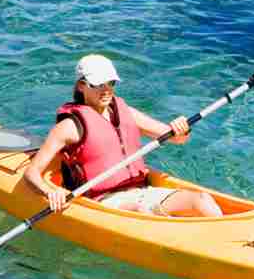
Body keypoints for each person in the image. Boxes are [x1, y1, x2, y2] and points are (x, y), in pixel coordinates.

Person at [24, 54, 223, 217]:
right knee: (141, 211)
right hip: (104, 201)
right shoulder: (69, 127)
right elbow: (31, 173)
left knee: (201, 199)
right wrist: (51, 192)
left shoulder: (125, 112)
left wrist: (182, 128)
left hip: (143, 192)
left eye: (110, 83)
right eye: (98, 84)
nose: (106, 90)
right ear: (81, 86)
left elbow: (178, 138)